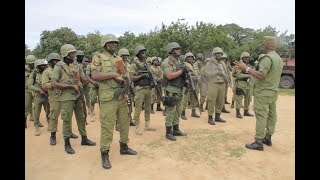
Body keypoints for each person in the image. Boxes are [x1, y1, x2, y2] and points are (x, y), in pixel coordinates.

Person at [91, 34, 137, 169]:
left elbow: (125, 75)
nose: (113, 44)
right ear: (104, 44)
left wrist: (126, 90)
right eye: (110, 42)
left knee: (124, 123)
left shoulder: (118, 59)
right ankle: (104, 154)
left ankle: (124, 146)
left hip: (121, 96)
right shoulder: (98, 57)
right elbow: (94, 75)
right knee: (107, 126)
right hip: (108, 98)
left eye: (115, 42)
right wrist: (113, 75)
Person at [235, 36, 283, 151]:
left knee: (261, 116)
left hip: (263, 92)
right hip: (273, 92)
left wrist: (246, 69)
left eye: (262, 45)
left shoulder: (267, 58)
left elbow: (261, 75)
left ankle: (258, 142)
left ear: (267, 45)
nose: (261, 47)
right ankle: (268, 137)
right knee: (272, 115)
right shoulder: (278, 58)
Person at [51, 44, 96, 154]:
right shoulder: (59, 66)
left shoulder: (77, 65)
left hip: (78, 95)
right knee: (67, 119)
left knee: (81, 117)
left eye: (74, 52)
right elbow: (54, 83)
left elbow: (83, 78)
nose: (74, 55)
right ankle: (67, 143)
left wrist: (91, 79)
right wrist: (70, 86)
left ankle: (84, 138)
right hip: (66, 97)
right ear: (66, 54)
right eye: (72, 53)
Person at [161, 42, 187, 141]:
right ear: (171, 51)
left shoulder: (179, 61)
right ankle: (168, 132)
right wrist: (182, 71)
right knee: (170, 111)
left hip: (180, 89)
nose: (179, 50)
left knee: (178, 111)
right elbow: (169, 76)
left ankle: (176, 129)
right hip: (171, 90)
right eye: (177, 49)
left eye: (179, 49)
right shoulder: (167, 61)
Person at [129, 45, 156, 135]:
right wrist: (142, 76)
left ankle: (147, 125)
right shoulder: (134, 64)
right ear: (137, 54)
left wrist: (152, 82)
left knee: (148, 107)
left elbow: (151, 74)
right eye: (142, 52)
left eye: (144, 52)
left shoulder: (147, 64)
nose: (144, 54)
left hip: (148, 88)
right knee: (138, 108)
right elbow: (132, 78)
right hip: (140, 89)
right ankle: (137, 126)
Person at [202, 47, 228, 125]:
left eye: (220, 53)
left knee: (220, 101)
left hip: (222, 83)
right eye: (218, 53)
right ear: (214, 54)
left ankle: (217, 116)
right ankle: (210, 117)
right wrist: (216, 73)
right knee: (211, 100)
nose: (219, 55)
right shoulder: (209, 62)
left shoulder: (222, 63)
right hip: (213, 83)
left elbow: (226, 73)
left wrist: (227, 80)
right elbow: (206, 74)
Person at [28, 59, 50, 135]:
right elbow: (29, 85)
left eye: (44, 65)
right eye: (41, 66)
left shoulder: (47, 72)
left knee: (48, 111)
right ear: (37, 67)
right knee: (36, 112)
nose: (43, 67)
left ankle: (50, 125)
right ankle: (36, 127)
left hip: (47, 95)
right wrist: (38, 90)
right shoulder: (33, 74)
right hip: (38, 96)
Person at [232, 52, 255, 118]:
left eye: (248, 57)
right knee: (239, 98)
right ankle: (238, 112)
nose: (247, 59)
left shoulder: (248, 66)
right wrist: (248, 75)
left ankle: (246, 111)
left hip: (248, 84)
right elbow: (238, 75)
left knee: (248, 98)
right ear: (242, 58)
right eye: (245, 57)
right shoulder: (238, 65)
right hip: (240, 83)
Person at [181, 52, 200, 120]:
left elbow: (198, 73)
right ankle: (183, 113)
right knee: (185, 99)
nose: (190, 59)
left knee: (194, 98)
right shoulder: (185, 65)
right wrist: (193, 77)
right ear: (186, 59)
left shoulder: (195, 65)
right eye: (188, 57)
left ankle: (193, 112)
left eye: (191, 57)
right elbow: (185, 75)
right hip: (187, 84)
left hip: (195, 84)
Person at [25, 55, 37, 128]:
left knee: (36, 106)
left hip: (36, 89)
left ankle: (34, 118)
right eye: (30, 64)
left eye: (33, 63)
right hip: (27, 90)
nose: (32, 65)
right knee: (26, 105)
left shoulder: (37, 68)